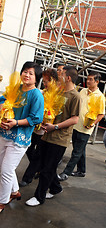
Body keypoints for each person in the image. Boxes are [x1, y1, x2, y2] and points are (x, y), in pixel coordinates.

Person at [25, 65, 81, 206]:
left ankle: (39, 197)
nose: (58, 76)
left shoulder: (75, 96)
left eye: (61, 74)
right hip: (46, 134)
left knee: (47, 169)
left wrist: (55, 126)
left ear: (68, 78)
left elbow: (75, 119)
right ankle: (55, 187)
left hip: (59, 139)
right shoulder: (58, 92)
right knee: (44, 164)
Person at [0, 61, 44, 213]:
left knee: (6, 171)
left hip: (20, 138)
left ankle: (2, 201)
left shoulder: (36, 95)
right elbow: (3, 100)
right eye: (25, 71)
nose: (27, 75)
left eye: (31, 73)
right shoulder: (16, 88)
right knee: (4, 168)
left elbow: (36, 118)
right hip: (4, 133)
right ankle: (14, 191)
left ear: (36, 78)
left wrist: (16, 122)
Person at [58, 71, 106, 181]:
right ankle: (81, 170)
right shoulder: (83, 91)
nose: (88, 81)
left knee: (76, 152)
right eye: (87, 79)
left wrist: (93, 124)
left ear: (97, 82)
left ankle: (66, 172)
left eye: (91, 80)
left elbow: (101, 114)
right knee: (79, 149)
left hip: (85, 128)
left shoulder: (100, 96)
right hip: (75, 125)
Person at [19, 68, 58, 187]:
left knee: (38, 155)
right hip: (36, 128)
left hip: (47, 130)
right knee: (30, 150)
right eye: (44, 81)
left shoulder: (58, 95)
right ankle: (41, 172)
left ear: (53, 81)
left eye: (47, 81)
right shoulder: (41, 93)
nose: (44, 84)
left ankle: (28, 177)